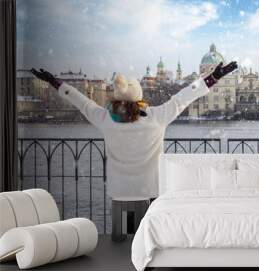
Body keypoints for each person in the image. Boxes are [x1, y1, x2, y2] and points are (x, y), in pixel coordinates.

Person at [31, 62, 237, 199]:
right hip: (150, 189)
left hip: (119, 190)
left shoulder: (105, 119)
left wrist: (55, 82)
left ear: (117, 98)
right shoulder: (156, 117)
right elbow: (184, 97)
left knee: (121, 234)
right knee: (149, 230)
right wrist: (213, 78)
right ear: (140, 97)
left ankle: (119, 256)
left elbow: (81, 102)